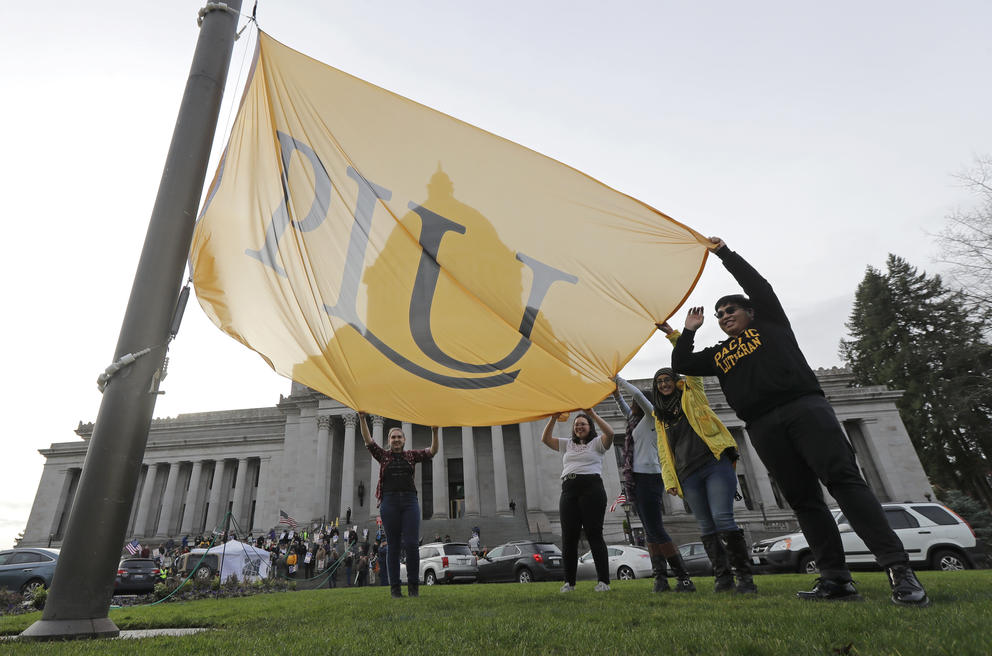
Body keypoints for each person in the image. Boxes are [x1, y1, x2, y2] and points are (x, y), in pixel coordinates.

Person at [671, 236, 929, 606]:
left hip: (803, 408)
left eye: (732, 310)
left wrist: (725, 255)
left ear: (751, 313)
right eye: (720, 314)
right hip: (762, 424)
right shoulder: (719, 354)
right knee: (804, 501)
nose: (725, 315)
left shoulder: (771, 324)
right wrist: (690, 331)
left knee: (843, 482)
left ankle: (898, 569)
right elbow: (682, 365)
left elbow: (758, 287)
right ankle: (835, 579)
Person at [647, 321, 754, 593]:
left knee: (723, 518)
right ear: (656, 388)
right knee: (705, 524)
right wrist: (670, 479)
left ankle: (745, 578)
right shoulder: (659, 417)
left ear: (676, 381)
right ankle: (723, 578)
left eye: (668, 379)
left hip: (713, 463)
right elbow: (664, 451)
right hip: (687, 473)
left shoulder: (693, 396)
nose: (664, 384)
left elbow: (691, 371)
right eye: (659, 382)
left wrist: (674, 335)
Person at [611, 372, 697, 593]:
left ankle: (683, 577)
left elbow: (638, 395)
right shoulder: (634, 421)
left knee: (656, 529)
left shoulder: (653, 416)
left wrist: (618, 379)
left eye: (635, 402)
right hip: (636, 479)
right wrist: (616, 395)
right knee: (650, 531)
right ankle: (660, 578)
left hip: (650, 476)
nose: (633, 404)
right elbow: (625, 409)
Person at [359, 413, 439, 598]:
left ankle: (413, 588)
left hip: (410, 501)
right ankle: (395, 589)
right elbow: (368, 441)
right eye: (393, 437)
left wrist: (435, 431)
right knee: (393, 546)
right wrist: (363, 418)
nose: (396, 440)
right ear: (389, 441)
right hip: (389, 502)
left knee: (411, 544)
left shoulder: (411, 455)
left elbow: (432, 451)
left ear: (404, 440)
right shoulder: (383, 456)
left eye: (399, 437)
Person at [541, 409, 615, 592]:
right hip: (569, 490)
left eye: (583, 424)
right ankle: (569, 583)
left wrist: (592, 413)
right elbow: (545, 439)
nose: (579, 427)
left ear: (590, 427)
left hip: (592, 489)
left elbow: (611, 433)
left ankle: (603, 581)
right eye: (576, 425)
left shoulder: (598, 443)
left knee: (594, 535)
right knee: (569, 538)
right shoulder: (567, 444)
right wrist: (553, 418)